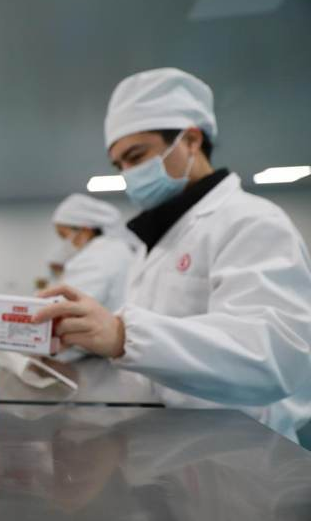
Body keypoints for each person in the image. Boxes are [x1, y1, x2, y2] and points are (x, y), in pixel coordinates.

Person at [35, 68, 311, 442]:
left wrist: (123, 335)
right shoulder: (158, 242)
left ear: (192, 140)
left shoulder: (252, 221)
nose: (128, 174)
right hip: (174, 441)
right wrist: (88, 336)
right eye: (120, 165)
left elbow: (275, 356)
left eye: (136, 156)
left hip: (243, 448)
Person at [51, 193, 135, 312]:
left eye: (64, 235)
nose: (65, 243)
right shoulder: (119, 248)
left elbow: (67, 306)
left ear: (85, 230)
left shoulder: (94, 256)